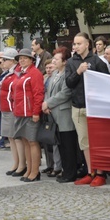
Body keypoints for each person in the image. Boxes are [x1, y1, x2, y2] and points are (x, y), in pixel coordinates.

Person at [66, 32, 110, 187]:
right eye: (74, 44)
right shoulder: (71, 62)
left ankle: (101, 173)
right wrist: (78, 72)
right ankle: (90, 172)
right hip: (78, 107)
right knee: (84, 142)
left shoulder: (98, 61)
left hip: (95, 108)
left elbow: (106, 84)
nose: (76, 46)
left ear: (87, 45)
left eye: (79, 43)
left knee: (98, 142)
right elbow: (69, 83)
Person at [42, 48, 78, 183]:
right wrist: (47, 104)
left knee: (68, 145)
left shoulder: (66, 74)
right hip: (54, 113)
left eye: (57, 59)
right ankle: (64, 170)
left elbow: (65, 93)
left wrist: (48, 103)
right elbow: (50, 91)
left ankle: (70, 173)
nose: (54, 61)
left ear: (64, 61)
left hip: (64, 114)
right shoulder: (56, 73)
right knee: (61, 145)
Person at [11, 48, 45, 183]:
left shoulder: (34, 73)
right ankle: (29, 169)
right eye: (20, 58)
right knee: (25, 141)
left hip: (30, 113)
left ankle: (35, 171)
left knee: (32, 142)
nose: (22, 60)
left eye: (25, 58)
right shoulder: (21, 73)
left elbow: (38, 94)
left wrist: (36, 112)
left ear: (31, 60)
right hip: (20, 112)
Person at [0, 48, 25, 177]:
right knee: (11, 137)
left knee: (16, 138)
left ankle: (21, 164)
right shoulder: (8, 73)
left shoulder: (17, 73)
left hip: (12, 108)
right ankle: (16, 162)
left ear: (12, 60)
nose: (2, 62)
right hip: (5, 107)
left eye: (5, 60)